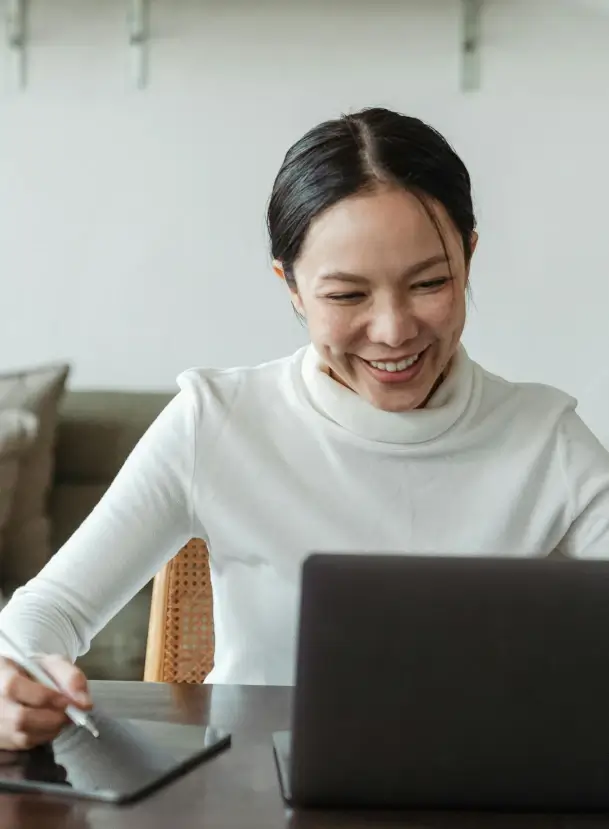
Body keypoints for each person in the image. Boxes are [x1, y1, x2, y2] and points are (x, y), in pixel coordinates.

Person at [1, 106, 609, 750]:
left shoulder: (546, 439)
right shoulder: (216, 421)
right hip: (247, 796)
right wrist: (15, 681)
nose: (394, 330)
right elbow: (50, 611)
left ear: (470, 256)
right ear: (291, 287)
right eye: (347, 296)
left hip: (479, 792)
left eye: (430, 283)